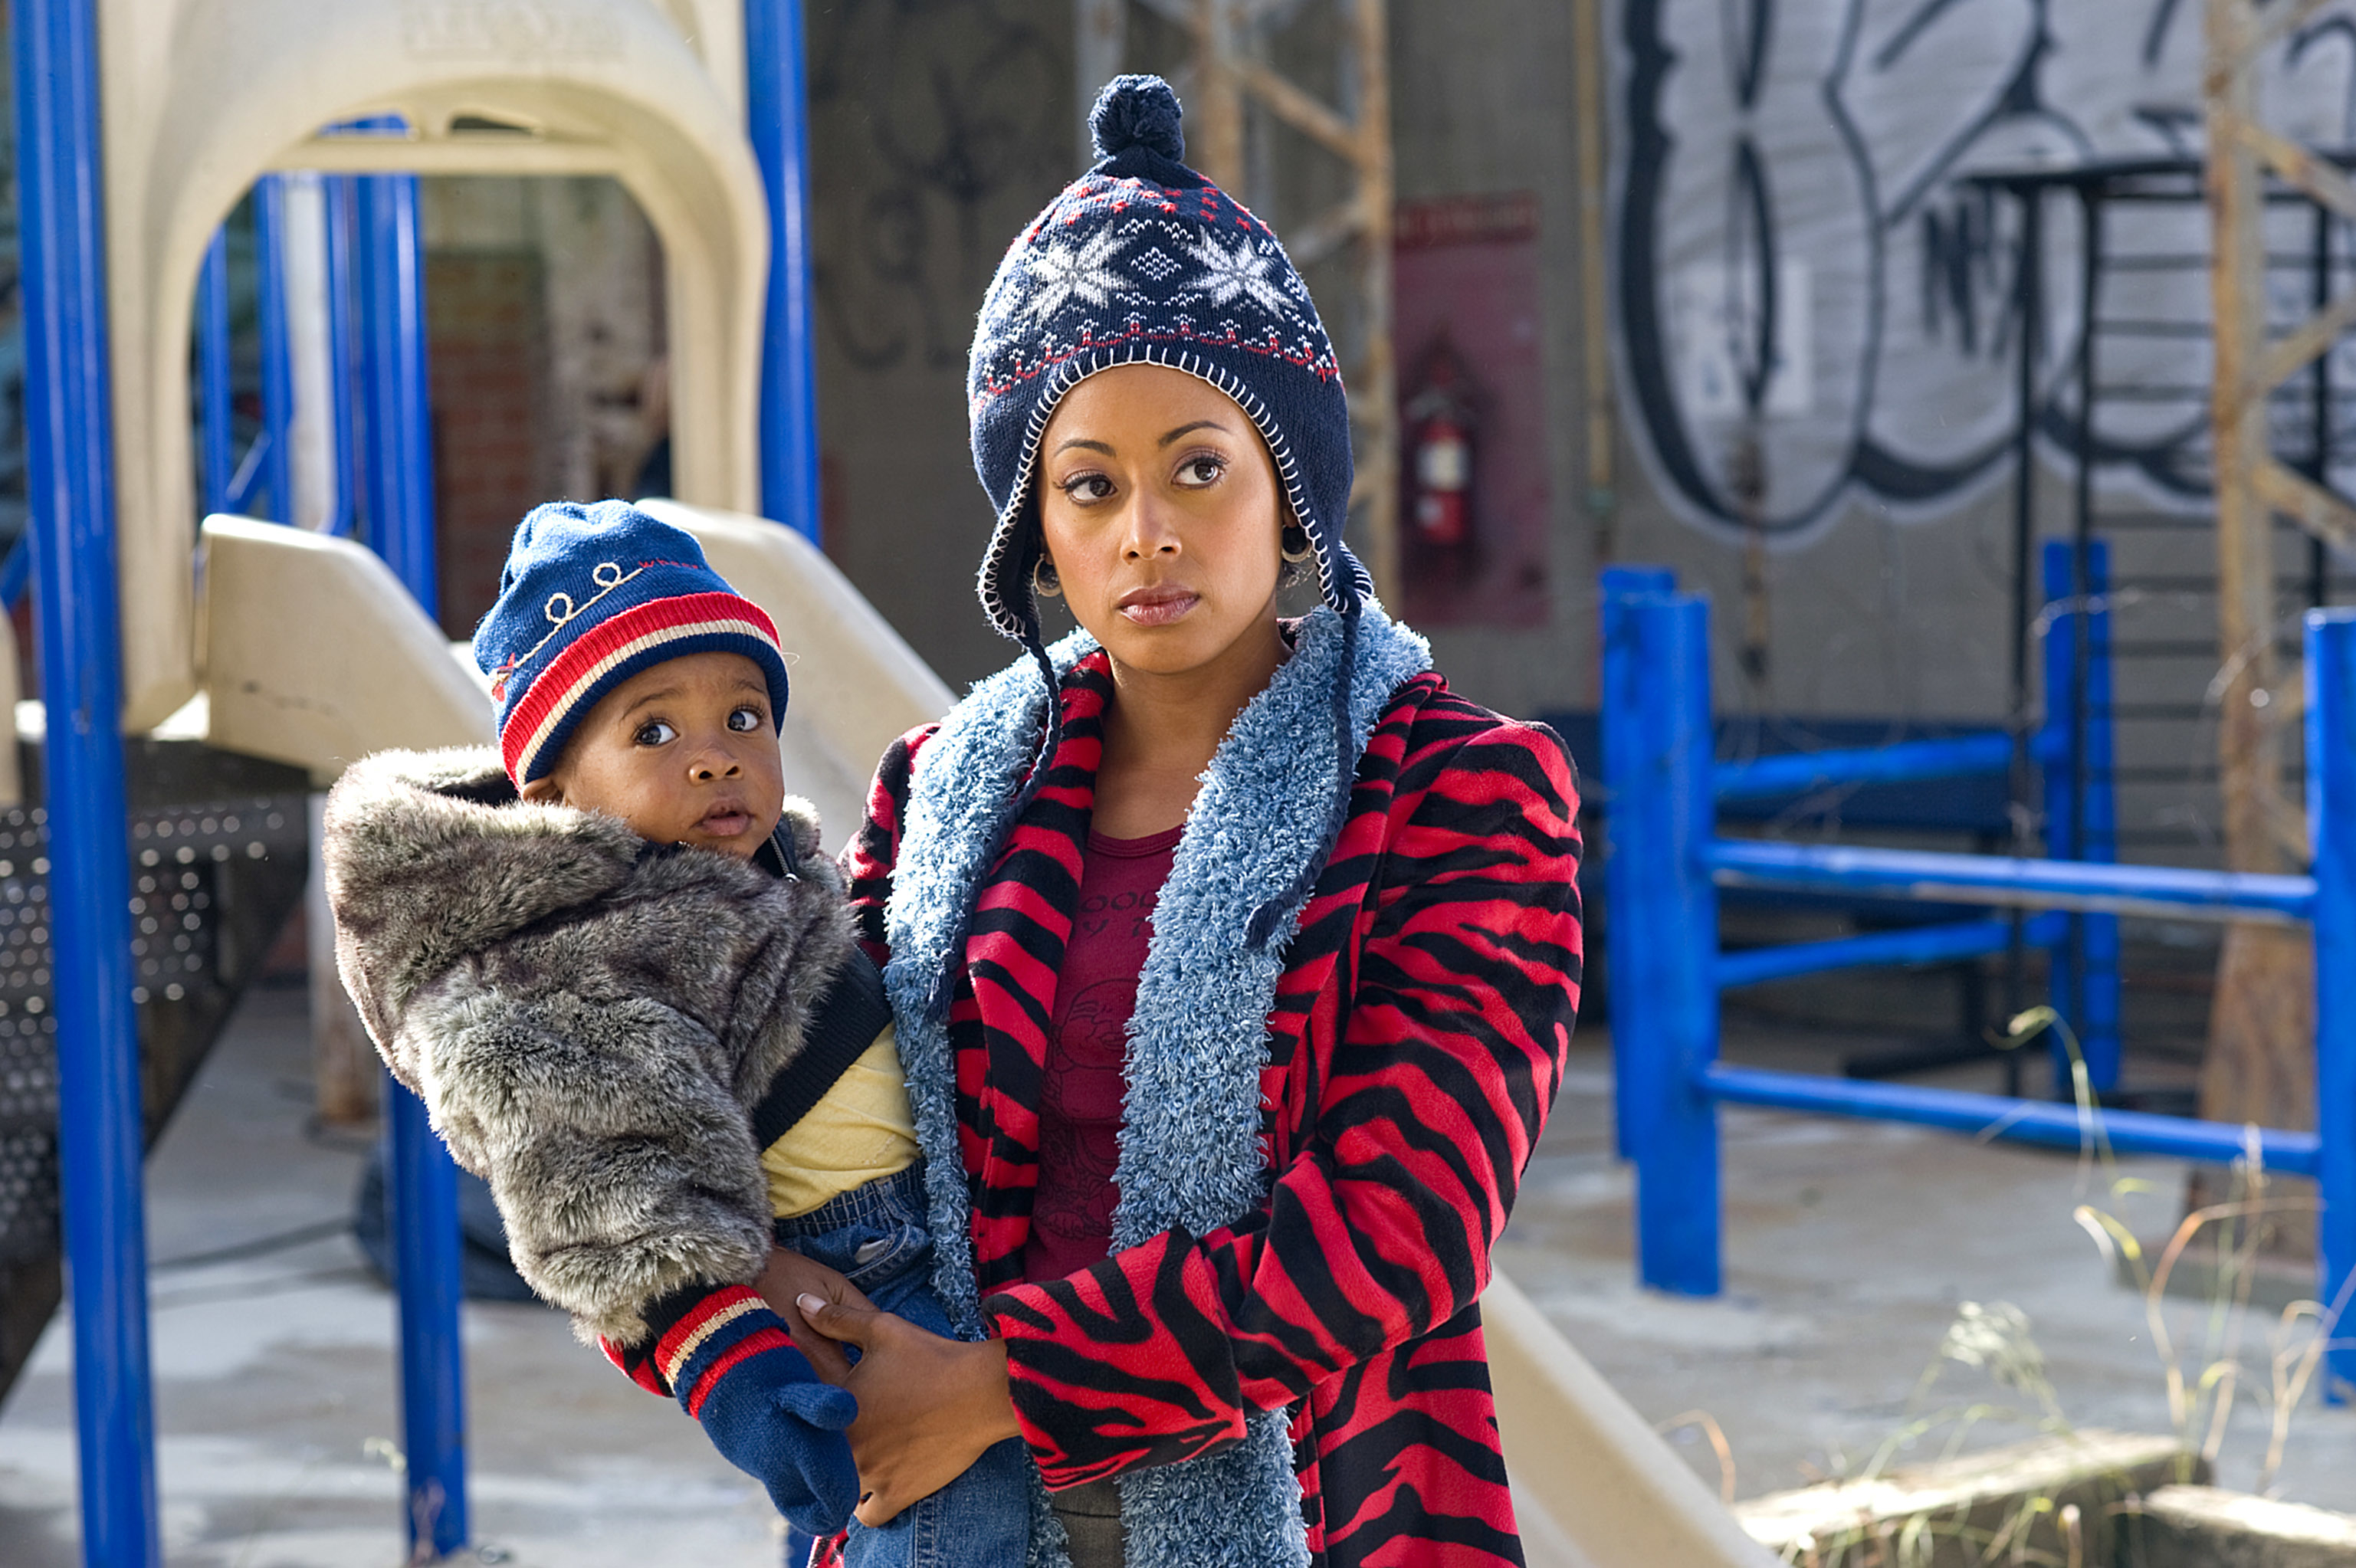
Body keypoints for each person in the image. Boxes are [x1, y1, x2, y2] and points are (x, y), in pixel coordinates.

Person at [789, 76, 1584, 1568]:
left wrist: (998, 1389)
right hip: (951, 1524)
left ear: (1290, 492)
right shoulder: (933, 795)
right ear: (1040, 535)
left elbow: (1401, 1229)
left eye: (1196, 469)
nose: (1144, 531)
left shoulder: (1458, 795)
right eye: (1087, 487)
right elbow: (820, 1124)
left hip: (1321, 1518)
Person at [320, 500, 1029, 1566]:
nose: (714, 756)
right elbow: (608, 1190)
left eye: (744, 716)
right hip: (854, 1262)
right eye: (653, 731)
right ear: (552, 789)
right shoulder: (565, 957)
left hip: (913, 1229)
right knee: (949, 1504)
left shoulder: (758, 876)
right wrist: (736, 1367)